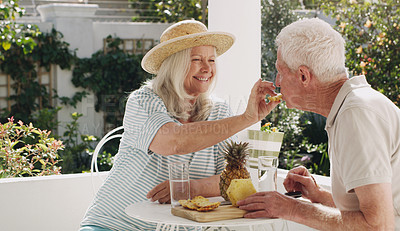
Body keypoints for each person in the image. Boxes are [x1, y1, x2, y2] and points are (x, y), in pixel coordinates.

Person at [80, 20, 280, 230]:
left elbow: (235, 179)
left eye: (211, 60)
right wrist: (246, 118)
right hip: (114, 224)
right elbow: (174, 141)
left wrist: (191, 188)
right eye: (197, 59)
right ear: (175, 64)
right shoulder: (143, 100)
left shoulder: (220, 111)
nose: (207, 68)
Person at [238, 17, 400, 230]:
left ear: (304, 76)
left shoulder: (356, 115)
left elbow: (378, 225)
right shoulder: (352, 106)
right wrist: (320, 196)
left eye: (281, 72)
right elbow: (377, 210)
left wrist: (291, 208)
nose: (277, 82)